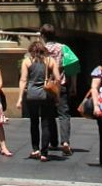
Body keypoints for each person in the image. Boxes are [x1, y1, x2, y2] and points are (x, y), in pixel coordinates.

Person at [19, 38, 62, 160]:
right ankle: (44, 152)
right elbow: (58, 79)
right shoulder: (50, 61)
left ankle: (35, 149)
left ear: (31, 51)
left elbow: (23, 80)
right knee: (46, 123)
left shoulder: (27, 61)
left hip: (32, 95)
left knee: (34, 122)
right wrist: (57, 96)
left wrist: (19, 98)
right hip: (46, 96)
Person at [41, 23, 75, 155]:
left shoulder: (41, 49)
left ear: (43, 35)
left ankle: (53, 141)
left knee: (49, 114)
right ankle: (65, 141)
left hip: (45, 85)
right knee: (64, 114)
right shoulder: (63, 48)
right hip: (61, 84)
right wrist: (73, 84)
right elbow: (73, 65)